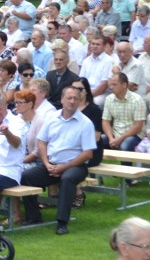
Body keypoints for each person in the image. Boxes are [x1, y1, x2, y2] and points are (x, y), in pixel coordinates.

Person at [21, 85, 96, 235]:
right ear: (62, 99)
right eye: (69, 98)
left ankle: (62, 222)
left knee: (67, 180)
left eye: (75, 98)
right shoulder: (52, 118)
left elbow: (88, 153)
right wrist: (47, 163)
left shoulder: (86, 123)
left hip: (75, 166)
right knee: (26, 177)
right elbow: (41, 142)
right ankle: (34, 217)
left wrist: (64, 167)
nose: (72, 101)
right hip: (51, 164)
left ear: (80, 100)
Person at [102, 73, 145, 152]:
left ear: (124, 85)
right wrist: (111, 138)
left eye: (114, 84)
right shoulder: (109, 99)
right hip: (115, 134)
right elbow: (105, 121)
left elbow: (139, 126)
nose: (111, 87)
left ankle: (127, 165)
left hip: (134, 135)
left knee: (125, 146)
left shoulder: (137, 100)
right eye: (111, 84)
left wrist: (120, 139)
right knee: (98, 141)